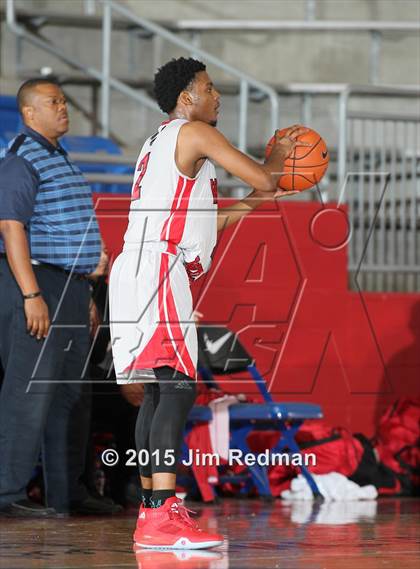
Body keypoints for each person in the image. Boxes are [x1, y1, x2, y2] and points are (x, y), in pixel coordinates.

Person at [109, 57, 308, 549]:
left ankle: (153, 512)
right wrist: (278, 158)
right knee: (176, 390)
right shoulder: (194, 133)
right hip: (156, 267)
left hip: (139, 267)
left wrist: (262, 196)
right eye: (209, 87)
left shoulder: (163, 143)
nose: (217, 96)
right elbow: (263, 177)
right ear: (186, 97)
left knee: (160, 392)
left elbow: (212, 223)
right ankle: (161, 515)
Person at [0, 78, 119, 516]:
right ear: (30, 112)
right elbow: (10, 227)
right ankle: (5, 495)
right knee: (27, 393)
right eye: (54, 102)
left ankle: (66, 493)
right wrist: (31, 293)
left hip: (70, 287)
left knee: (71, 393)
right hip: (37, 284)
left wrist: (85, 294)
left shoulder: (60, 159)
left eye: (65, 101)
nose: (64, 108)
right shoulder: (20, 160)